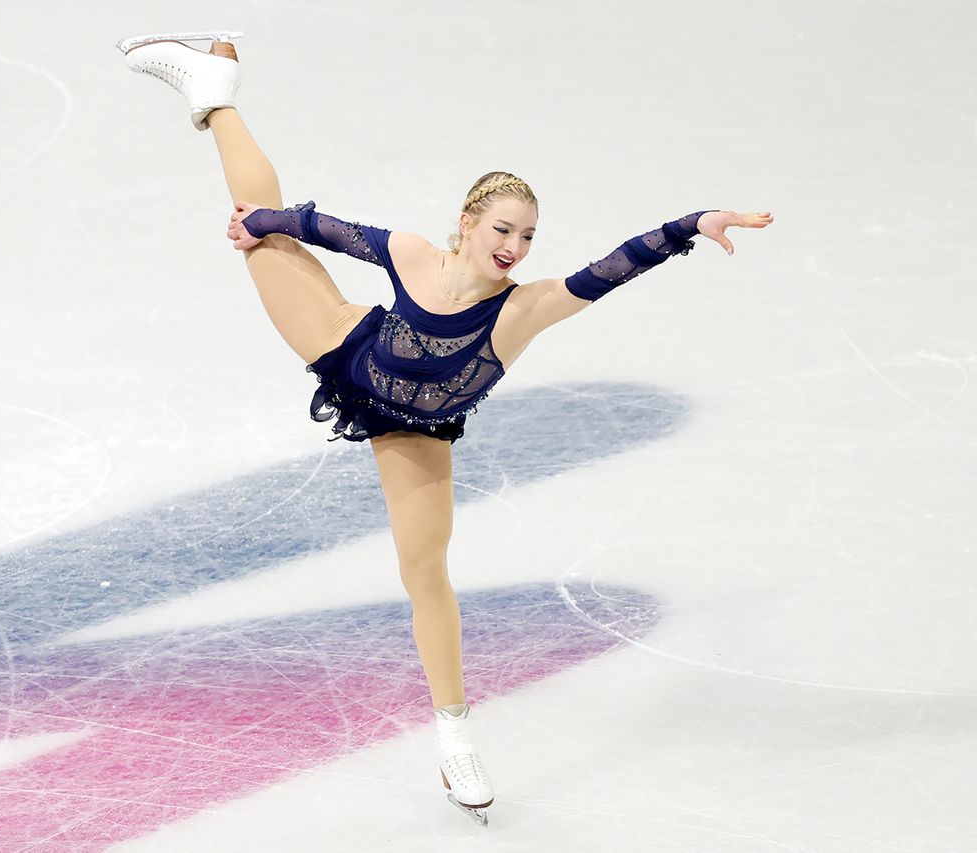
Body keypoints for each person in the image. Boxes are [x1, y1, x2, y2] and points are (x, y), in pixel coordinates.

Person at [117, 31, 773, 826]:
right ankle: (214, 90)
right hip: (344, 345)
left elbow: (612, 267)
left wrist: (691, 223)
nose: (515, 247)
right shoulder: (415, 253)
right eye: (503, 229)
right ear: (469, 223)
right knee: (267, 237)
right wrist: (261, 222)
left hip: (420, 431)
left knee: (424, 571)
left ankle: (454, 733)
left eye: (527, 235)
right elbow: (324, 228)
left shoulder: (523, 308)